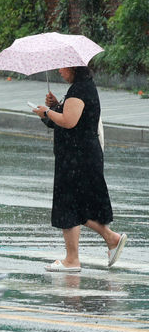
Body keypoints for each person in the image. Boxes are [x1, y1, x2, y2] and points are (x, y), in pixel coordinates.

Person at [33, 66, 127, 272]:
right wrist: (56, 106)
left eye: (63, 67)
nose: (59, 71)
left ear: (73, 68)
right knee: (73, 205)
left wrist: (47, 111)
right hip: (78, 156)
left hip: (78, 158)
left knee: (71, 205)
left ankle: (79, 256)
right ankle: (83, 253)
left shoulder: (79, 90)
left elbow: (69, 121)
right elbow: (70, 118)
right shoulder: (80, 88)